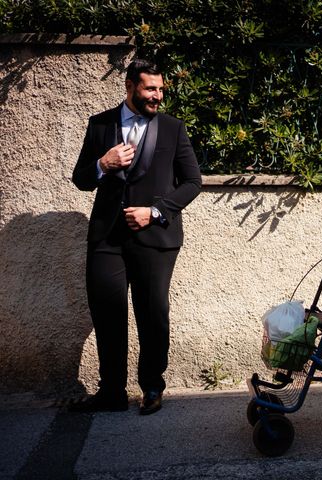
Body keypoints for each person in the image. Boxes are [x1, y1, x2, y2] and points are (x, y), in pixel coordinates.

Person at [70, 59, 202, 415]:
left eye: (160, 89)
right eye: (149, 89)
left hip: (155, 236)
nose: (157, 96)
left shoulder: (173, 128)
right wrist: (103, 163)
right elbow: (81, 178)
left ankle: (152, 387)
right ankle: (111, 392)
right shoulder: (100, 125)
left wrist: (156, 211)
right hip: (107, 237)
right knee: (108, 314)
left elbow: (193, 182)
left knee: (153, 313)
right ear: (129, 87)